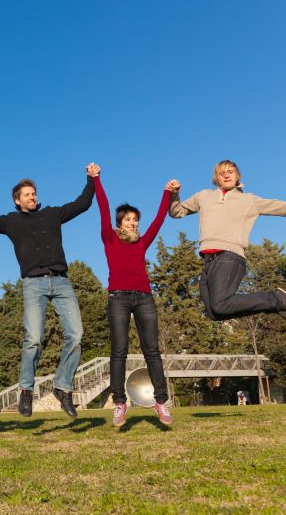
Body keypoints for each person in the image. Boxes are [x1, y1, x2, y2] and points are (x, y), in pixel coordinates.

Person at [0, 166, 96, 418]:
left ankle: (62, 387)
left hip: (62, 282)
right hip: (33, 285)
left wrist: (92, 179)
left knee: (76, 335)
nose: (32, 197)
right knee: (33, 339)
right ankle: (26, 391)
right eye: (27, 194)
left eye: (34, 193)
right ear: (17, 200)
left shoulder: (52, 214)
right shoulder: (11, 221)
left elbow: (83, 204)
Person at [169, 161, 286, 327]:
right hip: (207, 261)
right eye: (222, 173)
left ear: (238, 176)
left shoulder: (248, 200)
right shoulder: (202, 196)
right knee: (214, 313)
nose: (227, 175)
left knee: (220, 304)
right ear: (216, 178)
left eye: (231, 172)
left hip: (229, 257)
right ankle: (273, 305)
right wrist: (174, 194)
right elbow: (176, 212)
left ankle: (277, 299)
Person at [93, 166, 176, 427]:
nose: (134, 222)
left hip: (143, 298)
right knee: (119, 350)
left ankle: (161, 402)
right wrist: (96, 179)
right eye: (129, 219)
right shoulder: (109, 238)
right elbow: (103, 208)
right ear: (120, 223)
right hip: (117, 298)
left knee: (151, 350)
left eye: (135, 219)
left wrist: (167, 193)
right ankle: (119, 403)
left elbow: (159, 219)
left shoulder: (141, 242)